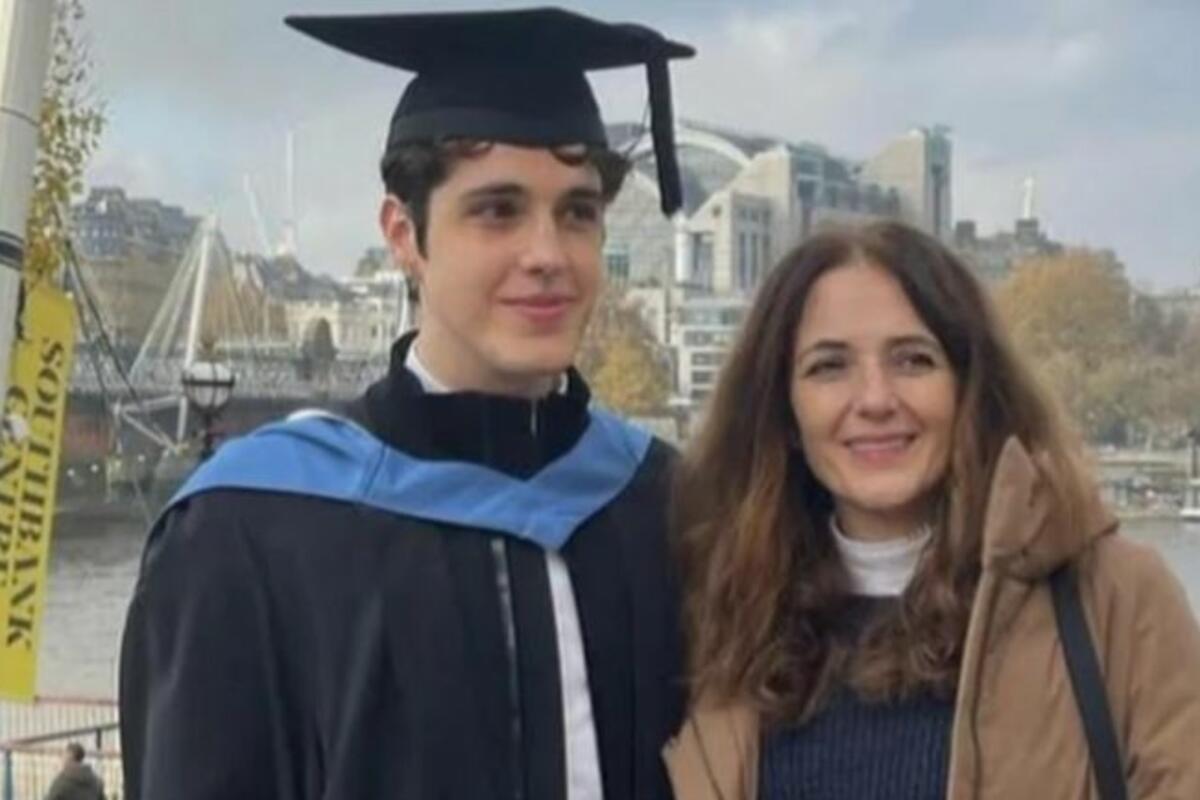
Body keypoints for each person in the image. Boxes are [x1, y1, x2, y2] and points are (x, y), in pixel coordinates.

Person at [119, 8, 693, 799]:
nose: (548, 255)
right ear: (403, 234)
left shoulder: (670, 511)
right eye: (497, 210)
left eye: (578, 212)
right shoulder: (249, 529)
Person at [664, 221, 1200, 799]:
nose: (875, 400)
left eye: (912, 361)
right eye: (829, 366)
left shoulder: (1116, 602)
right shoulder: (719, 622)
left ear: (970, 389)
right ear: (783, 412)